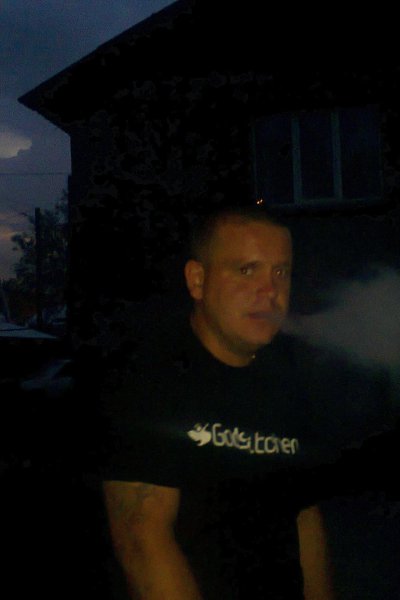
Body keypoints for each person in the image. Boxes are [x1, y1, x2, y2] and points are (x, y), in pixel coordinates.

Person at [100, 205, 335, 599]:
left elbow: (305, 515)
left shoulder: (290, 379)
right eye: (247, 270)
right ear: (197, 280)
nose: (270, 291)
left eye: (281, 272)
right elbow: (142, 538)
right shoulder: (148, 380)